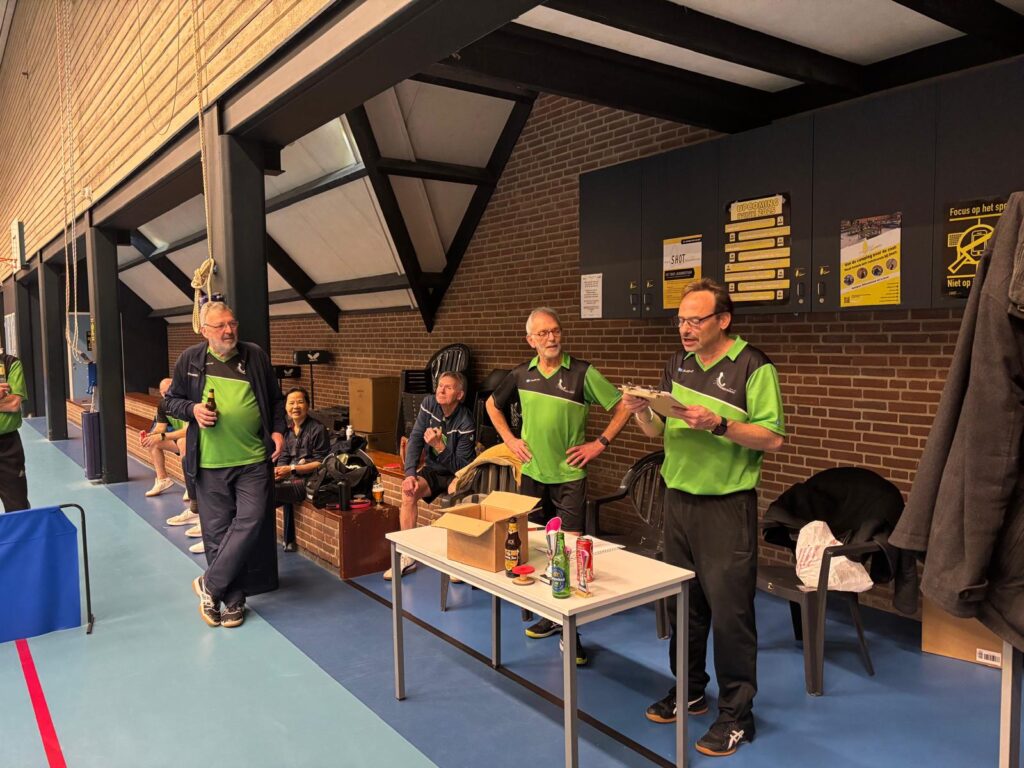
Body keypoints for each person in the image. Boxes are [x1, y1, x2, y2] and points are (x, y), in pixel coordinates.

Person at [623, 278, 785, 758]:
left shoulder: (754, 366)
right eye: (680, 321)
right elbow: (657, 431)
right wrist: (641, 412)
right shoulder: (678, 363)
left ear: (723, 320)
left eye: (695, 320)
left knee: (731, 614)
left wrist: (719, 423)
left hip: (726, 507)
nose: (685, 329)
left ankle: (737, 716)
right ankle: (690, 690)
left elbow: (773, 438)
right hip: (678, 501)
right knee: (684, 606)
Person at [487, 307, 629, 665]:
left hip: (569, 479)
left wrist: (599, 444)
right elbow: (492, 405)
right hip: (533, 475)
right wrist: (510, 441)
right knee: (538, 551)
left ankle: (571, 632)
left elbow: (624, 407)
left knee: (567, 556)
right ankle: (549, 618)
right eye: (543, 333)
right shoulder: (520, 374)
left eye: (555, 331)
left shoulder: (583, 373)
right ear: (530, 340)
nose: (551, 338)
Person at [165, 301, 285, 629]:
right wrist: (193, 410)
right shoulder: (190, 359)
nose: (229, 331)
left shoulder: (255, 356)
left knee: (252, 520)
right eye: (220, 326)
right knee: (217, 535)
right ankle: (232, 600)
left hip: (253, 460)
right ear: (205, 331)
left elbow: (276, 399)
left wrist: (278, 430)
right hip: (209, 463)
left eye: (232, 323)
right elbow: (170, 401)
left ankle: (210, 583)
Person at [384, 371, 475, 581]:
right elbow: (415, 438)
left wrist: (440, 447)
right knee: (408, 492)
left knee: (455, 493)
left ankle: (457, 560)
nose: (441, 390)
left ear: (459, 395)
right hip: (434, 469)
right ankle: (408, 555)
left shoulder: (465, 421)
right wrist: (409, 474)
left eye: (448, 387)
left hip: (457, 473)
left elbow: (462, 466)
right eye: (440, 385)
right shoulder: (429, 404)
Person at [274, 386, 329, 552]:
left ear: (308, 405)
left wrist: (292, 469)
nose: (295, 406)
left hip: (308, 482)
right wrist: (278, 472)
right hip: (290, 480)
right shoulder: (288, 430)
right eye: (291, 403)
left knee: (264, 494)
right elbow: (283, 458)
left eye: (300, 402)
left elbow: (321, 463)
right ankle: (285, 540)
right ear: (285, 407)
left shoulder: (317, 429)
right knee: (260, 489)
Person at [0, 350, 29, 512]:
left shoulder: (11, 363)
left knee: (18, 506)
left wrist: (7, 400)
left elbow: (14, 404)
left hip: (8, 448)